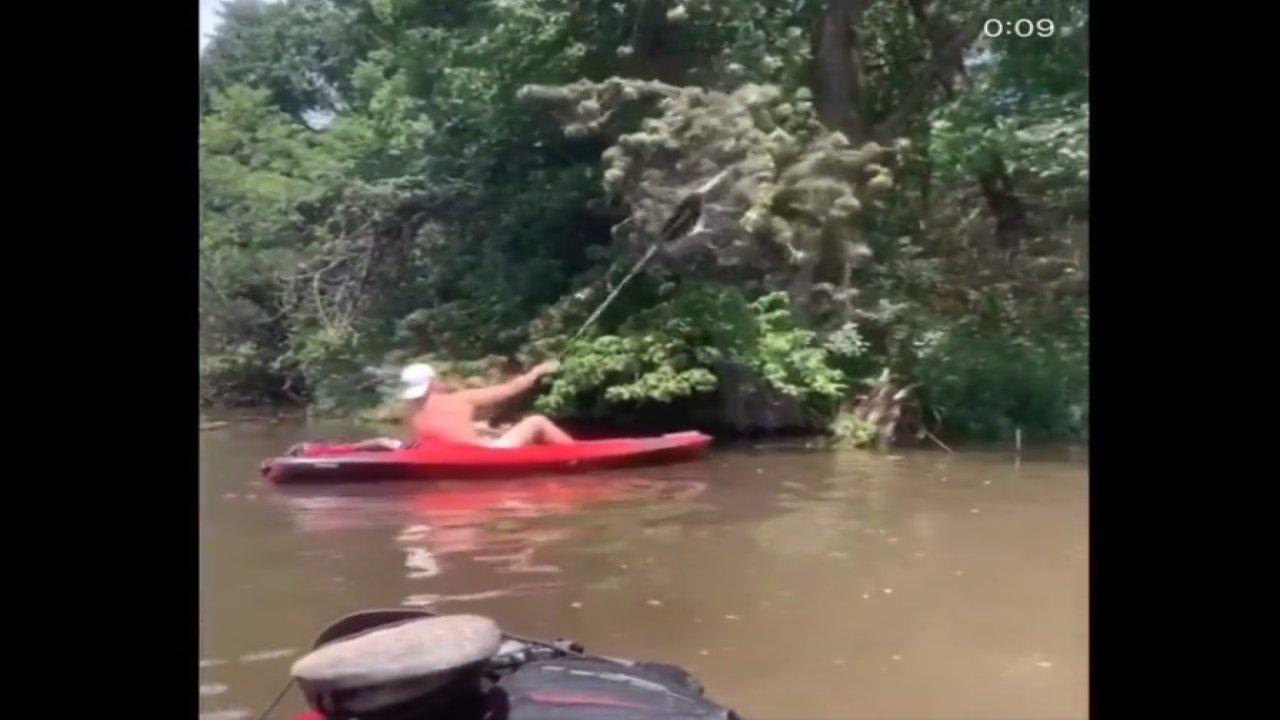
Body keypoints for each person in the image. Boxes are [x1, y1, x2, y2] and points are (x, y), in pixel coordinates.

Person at [398, 361, 574, 448]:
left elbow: (447, 430)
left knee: (496, 432)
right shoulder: (460, 399)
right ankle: (578, 454)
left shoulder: (411, 411)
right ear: (433, 382)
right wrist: (539, 370)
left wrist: (491, 431)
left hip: (450, 452)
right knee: (537, 421)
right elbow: (511, 389)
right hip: (485, 453)